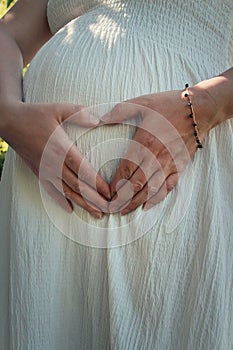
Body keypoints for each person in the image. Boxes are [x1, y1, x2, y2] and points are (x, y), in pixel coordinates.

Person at [0, 0, 232, 349]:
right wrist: (7, 114)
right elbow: (8, 34)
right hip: (38, 196)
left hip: (186, 167)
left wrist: (205, 106)